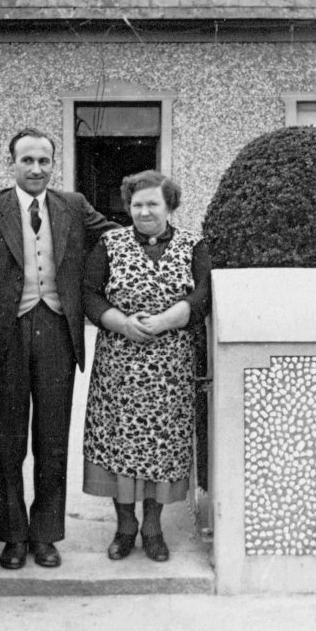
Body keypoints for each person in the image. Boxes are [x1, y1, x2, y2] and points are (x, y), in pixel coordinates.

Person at [0, 128, 115, 571]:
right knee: (8, 442)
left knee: (52, 440)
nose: (36, 169)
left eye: (43, 161)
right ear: (11, 163)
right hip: (3, 336)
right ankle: (12, 535)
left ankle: (46, 534)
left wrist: (176, 251)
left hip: (56, 331)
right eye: (27, 160)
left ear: (53, 164)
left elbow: (117, 241)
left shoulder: (73, 205)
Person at [81, 170, 211, 562]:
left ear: (169, 206)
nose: (144, 211)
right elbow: (89, 292)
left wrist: (168, 319)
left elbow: (204, 292)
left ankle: (153, 527)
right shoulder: (110, 243)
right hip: (119, 368)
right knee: (119, 445)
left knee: (162, 445)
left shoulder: (193, 245)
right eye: (137, 205)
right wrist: (121, 322)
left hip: (170, 369)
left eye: (153, 203)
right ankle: (125, 527)